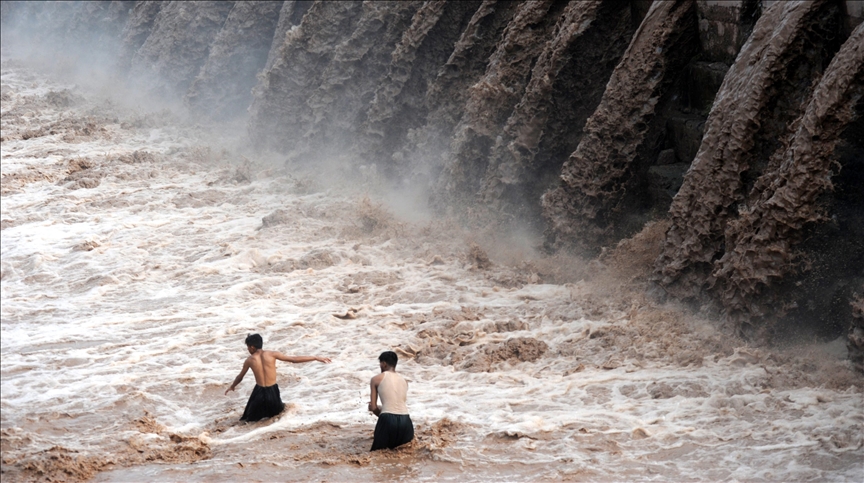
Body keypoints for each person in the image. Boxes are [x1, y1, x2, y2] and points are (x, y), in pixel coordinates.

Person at [225, 333, 331, 422]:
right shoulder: (272, 354)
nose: (248, 349)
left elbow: (240, 377)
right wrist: (315, 357)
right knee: (277, 415)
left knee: (249, 419)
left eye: (248, 347)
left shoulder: (249, 360)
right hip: (272, 391)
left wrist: (233, 386)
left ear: (252, 347)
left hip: (258, 392)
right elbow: (294, 359)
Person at [368, 351, 414, 450]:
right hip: (406, 420)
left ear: (384, 364)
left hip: (387, 420)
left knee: (377, 456)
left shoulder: (376, 379)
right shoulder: (404, 381)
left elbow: (373, 407)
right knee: (403, 455)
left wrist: (379, 412)